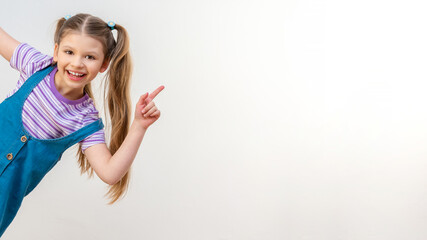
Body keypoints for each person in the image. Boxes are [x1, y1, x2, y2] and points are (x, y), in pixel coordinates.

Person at [0, 13, 164, 236]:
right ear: (56, 51)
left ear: (104, 64)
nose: (77, 63)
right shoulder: (35, 65)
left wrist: (139, 126)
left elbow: (109, 172)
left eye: (90, 57)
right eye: (69, 52)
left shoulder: (85, 119)